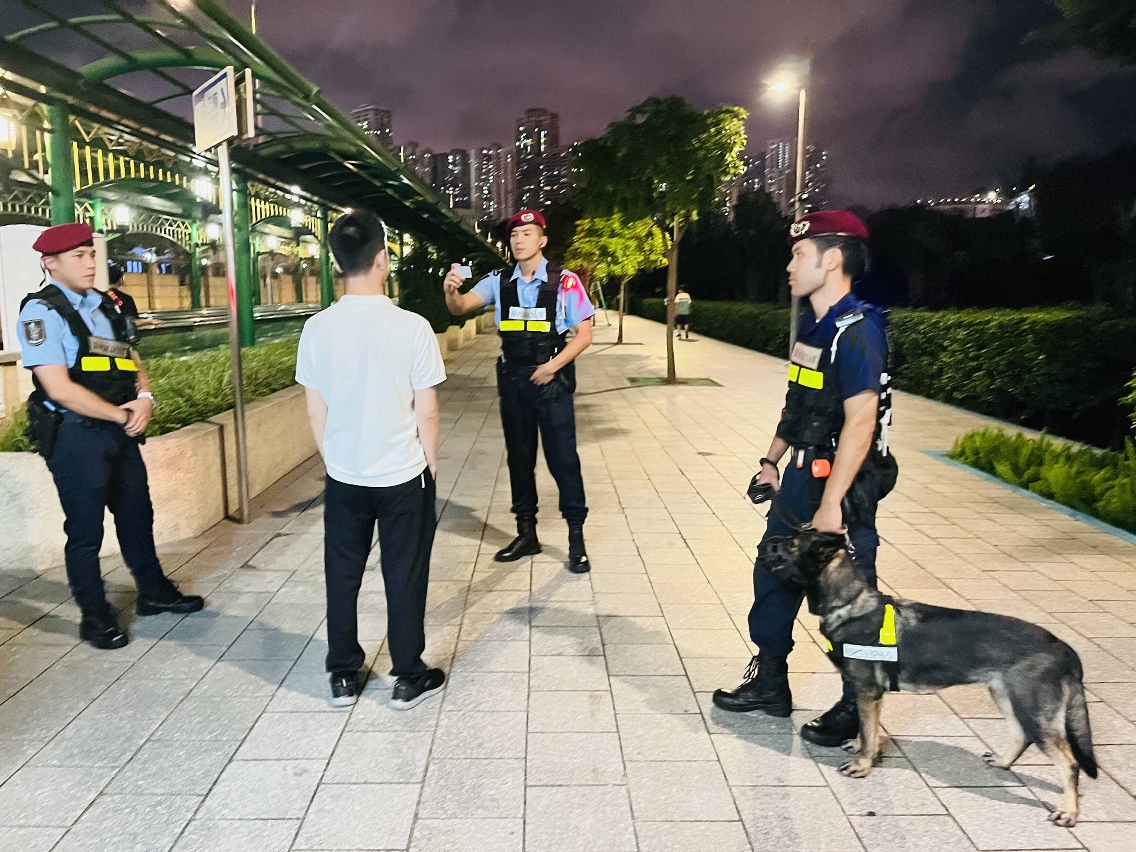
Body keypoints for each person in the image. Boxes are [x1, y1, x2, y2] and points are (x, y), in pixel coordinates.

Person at [713, 210, 897, 748]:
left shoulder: (859, 330)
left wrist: (832, 502)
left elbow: (861, 422)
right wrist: (770, 460)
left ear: (832, 259)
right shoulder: (815, 329)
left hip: (843, 484)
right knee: (772, 571)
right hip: (799, 476)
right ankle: (770, 681)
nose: (790, 265)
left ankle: (857, 706)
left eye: (799, 254)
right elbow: (799, 407)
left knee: (853, 597)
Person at [16, 223, 204, 651]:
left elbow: (129, 356)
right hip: (75, 435)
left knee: (137, 514)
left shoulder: (105, 304)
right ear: (50, 263)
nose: (90, 263)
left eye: (91, 254)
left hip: (119, 430)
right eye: (78, 256)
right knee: (85, 531)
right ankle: (94, 614)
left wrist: (145, 397)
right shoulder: (40, 314)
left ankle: (153, 593)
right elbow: (58, 388)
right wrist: (122, 415)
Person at [297, 209, 447, 710]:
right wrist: (429, 464)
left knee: (342, 573)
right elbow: (427, 410)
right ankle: (407, 676)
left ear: (337, 263)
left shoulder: (316, 329)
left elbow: (315, 408)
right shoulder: (413, 327)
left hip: (344, 476)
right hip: (402, 474)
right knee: (404, 573)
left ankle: (343, 673)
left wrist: (337, 459)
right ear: (382, 259)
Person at [442, 209, 595, 573]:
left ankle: (576, 538)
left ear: (542, 240)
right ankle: (527, 534)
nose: (519, 239)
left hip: (552, 383)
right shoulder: (498, 281)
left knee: (563, 461)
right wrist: (450, 290)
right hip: (514, 382)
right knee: (519, 459)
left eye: (527, 233)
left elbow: (585, 335)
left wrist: (552, 367)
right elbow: (460, 307)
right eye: (514, 235)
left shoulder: (565, 282)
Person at [103, 261, 140, 347]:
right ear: (121, 279)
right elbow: (134, 321)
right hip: (125, 343)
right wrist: (150, 322)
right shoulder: (127, 299)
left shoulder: (99, 298)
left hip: (107, 342)